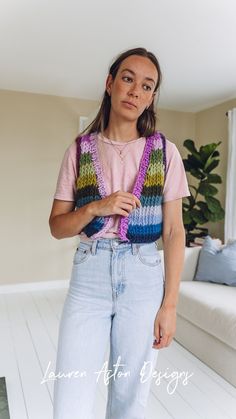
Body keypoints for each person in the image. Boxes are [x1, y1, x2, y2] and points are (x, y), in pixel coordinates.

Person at [49, 47, 191, 419]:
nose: (135, 91)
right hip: (89, 274)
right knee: (71, 395)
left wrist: (170, 305)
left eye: (147, 86)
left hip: (144, 276)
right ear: (110, 83)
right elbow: (57, 226)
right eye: (128, 79)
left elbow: (175, 232)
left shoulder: (165, 151)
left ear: (152, 97)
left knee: (131, 397)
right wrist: (96, 206)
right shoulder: (80, 150)